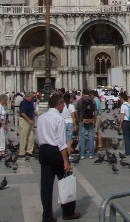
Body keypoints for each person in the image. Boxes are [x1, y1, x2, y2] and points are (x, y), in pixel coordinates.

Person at [36, 93, 80, 222]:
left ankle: (47, 216)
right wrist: (66, 161)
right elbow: (61, 143)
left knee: (46, 186)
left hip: (43, 151)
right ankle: (68, 212)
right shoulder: (59, 119)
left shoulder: (41, 118)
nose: (63, 108)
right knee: (66, 180)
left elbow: (38, 137)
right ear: (59, 104)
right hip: (55, 152)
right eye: (62, 105)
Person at [75, 89, 96, 159]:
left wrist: (78, 120)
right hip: (91, 120)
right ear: (89, 93)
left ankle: (82, 154)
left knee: (82, 137)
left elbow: (76, 111)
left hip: (82, 121)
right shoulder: (92, 101)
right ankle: (91, 154)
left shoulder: (79, 101)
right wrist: (94, 120)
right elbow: (96, 112)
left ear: (83, 94)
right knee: (91, 137)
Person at [19, 92, 36, 158]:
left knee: (31, 136)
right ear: (27, 96)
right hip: (25, 120)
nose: (32, 99)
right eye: (31, 97)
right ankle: (22, 152)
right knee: (24, 136)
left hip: (30, 120)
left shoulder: (30, 102)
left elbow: (32, 110)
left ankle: (29, 151)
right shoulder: (23, 102)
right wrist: (29, 120)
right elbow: (22, 113)